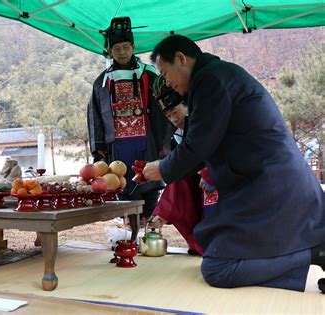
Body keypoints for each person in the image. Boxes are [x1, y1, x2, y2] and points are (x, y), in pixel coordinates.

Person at [143, 34, 325, 293]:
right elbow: (208, 143)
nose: (167, 83)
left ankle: (314, 253)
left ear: (181, 59)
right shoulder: (219, 75)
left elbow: (198, 144)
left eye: (165, 72)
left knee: (219, 269)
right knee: (218, 253)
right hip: (264, 181)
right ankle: (312, 251)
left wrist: (162, 168)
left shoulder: (210, 79)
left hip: (269, 185)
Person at [87, 17, 172, 223]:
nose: (122, 52)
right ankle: (127, 229)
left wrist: (166, 143)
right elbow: (95, 117)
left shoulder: (149, 75)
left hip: (146, 141)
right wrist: (99, 150)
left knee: (148, 184)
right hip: (116, 145)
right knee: (120, 185)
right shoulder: (102, 81)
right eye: (117, 48)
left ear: (134, 47)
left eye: (126, 47)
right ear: (109, 51)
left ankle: (147, 225)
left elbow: (164, 111)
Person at [149, 75, 203, 255]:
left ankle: (163, 214)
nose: (173, 119)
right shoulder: (178, 134)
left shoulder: (205, 123)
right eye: (168, 115)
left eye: (175, 111)